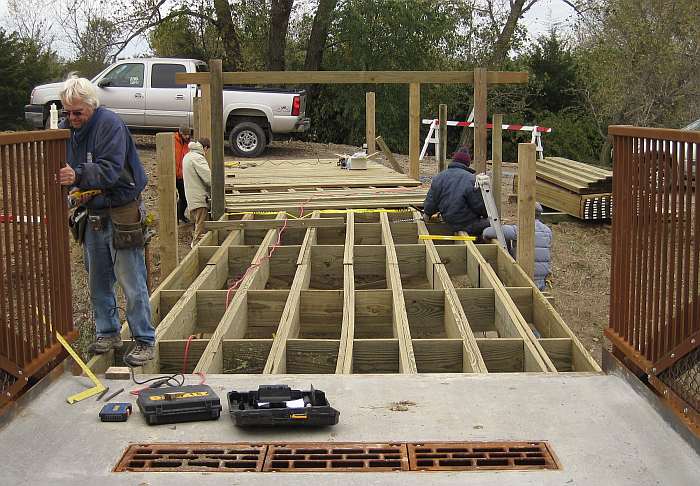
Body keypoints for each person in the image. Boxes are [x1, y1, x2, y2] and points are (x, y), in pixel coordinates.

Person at [57, 74, 155, 367]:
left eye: (78, 112)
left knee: (131, 277)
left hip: (122, 207)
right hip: (95, 212)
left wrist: (77, 177)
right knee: (98, 277)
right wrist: (74, 189)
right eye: (67, 112)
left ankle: (144, 340)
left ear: (92, 105)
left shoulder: (109, 125)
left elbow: (110, 170)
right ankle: (108, 332)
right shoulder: (68, 130)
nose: (72, 118)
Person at [482, 202, 553, 290]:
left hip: (524, 278)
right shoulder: (547, 231)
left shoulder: (520, 229)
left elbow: (487, 232)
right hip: (541, 280)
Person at [422, 146, 490, 236]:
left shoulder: (439, 177)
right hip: (468, 225)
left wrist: (427, 214)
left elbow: (432, 201)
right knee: (495, 226)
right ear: (467, 164)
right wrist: (487, 215)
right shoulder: (471, 179)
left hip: (448, 223)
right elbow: (479, 206)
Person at [182, 137, 212, 247]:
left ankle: (196, 245)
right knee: (201, 227)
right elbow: (208, 178)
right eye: (207, 149)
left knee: (197, 224)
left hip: (191, 196)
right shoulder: (198, 158)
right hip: (199, 197)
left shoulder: (188, 156)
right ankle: (196, 249)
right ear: (205, 147)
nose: (206, 152)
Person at [175, 125, 191, 223]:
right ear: (180, 134)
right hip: (172, 175)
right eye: (185, 135)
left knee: (184, 198)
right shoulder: (173, 140)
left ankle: (180, 215)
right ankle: (174, 217)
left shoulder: (188, 144)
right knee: (173, 198)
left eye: (188, 135)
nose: (187, 137)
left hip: (182, 176)